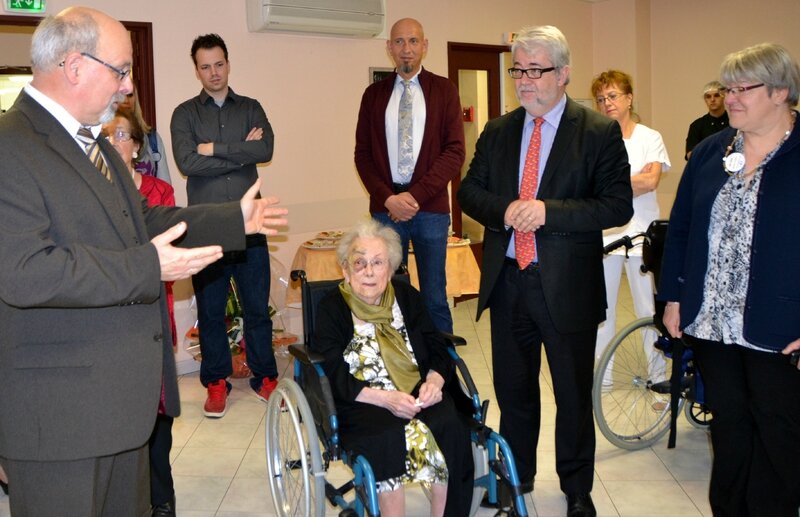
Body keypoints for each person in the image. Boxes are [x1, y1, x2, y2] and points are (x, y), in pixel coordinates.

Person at [0, 7, 287, 517]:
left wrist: (231, 220)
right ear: (74, 66)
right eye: (121, 70)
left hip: (122, 406)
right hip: (60, 418)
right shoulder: (11, 145)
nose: (129, 87)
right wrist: (146, 268)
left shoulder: (99, 147)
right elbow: (26, 271)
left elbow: (145, 220)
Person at [457, 25, 632, 517]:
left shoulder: (597, 131)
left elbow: (616, 205)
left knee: (573, 395)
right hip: (509, 279)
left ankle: (577, 489)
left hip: (567, 286)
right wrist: (506, 209)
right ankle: (518, 477)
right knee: (515, 393)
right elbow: (469, 193)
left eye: (537, 70)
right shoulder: (498, 130)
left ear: (564, 74)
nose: (525, 81)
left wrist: (548, 212)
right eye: (519, 70)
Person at [660, 42, 800, 517]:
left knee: (779, 441)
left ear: (781, 92)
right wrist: (674, 296)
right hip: (713, 324)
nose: (731, 98)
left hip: (779, 330)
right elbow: (680, 228)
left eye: (744, 89)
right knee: (730, 433)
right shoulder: (710, 152)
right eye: (728, 88)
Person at [313, 218, 473, 517]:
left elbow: (436, 345)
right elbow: (332, 371)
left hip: (416, 390)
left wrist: (435, 382)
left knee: (450, 425)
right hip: (362, 400)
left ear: (391, 267)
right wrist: (384, 398)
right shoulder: (332, 307)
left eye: (378, 262)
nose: (369, 271)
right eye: (359, 263)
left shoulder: (406, 297)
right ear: (345, 270)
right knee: (386, 435)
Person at [171, 33, 278, 418]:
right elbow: (187, 163)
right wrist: (239, 151)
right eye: (205, 66)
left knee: (257, 309)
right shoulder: (184, 114)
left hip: (251, 224)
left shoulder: (251, 107)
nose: (213, 73)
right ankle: (215, 381)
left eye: (219, 64)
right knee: (211, 311)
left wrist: (213, 148)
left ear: (228, 64)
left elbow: (264, 150)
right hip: (207, 228)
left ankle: (265, 376)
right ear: (196, 69)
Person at [354, 17, 465, 333]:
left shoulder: (444, 90)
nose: (406, 49)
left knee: (433, 296)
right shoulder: (373, 95)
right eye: (399, 42)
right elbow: (362, 155)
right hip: (386, 211)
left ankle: (441, 371)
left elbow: (455, 152)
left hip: (429, 210)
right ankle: (390, 366)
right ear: (389, 48)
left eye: (413, 41)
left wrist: (414, 196)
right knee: (381, 294)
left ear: (425, 46)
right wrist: (389, 198)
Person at [102, 106, 178, 517]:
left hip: (152, 316)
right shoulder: (92, 194)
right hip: (109, 321)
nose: (115, 142)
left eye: (123, 135)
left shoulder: (159, 194)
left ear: (136, 145)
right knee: (119, 417)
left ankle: (162, 499)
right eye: (108, 135)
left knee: (158, 417)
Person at [589, 70, 670, 379]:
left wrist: (610, 184)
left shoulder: (650, 137)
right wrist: (624, 183)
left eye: (612, 96)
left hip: (641, 236)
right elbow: (589, 185)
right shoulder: (595, 139)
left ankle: (657, 377)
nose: (606, 103)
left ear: (629, 98)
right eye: (600, 99)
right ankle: (603, 378)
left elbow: (650, 181)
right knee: (602, 312)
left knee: (647, 310)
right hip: (605, 237)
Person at [120, 85, 173, 184]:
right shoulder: (102, 139)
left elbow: (165, 188)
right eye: (120, 94)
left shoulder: (152, 138)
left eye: (130, 95)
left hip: (152, 199)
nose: (126, 99)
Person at [685, 80, 729, 160]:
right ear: (705, 100)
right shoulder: (696, 126)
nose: (712, 99)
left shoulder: (734, 123)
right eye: (708, 96)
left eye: (716, 95)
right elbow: (690, 155)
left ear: (724, 97)